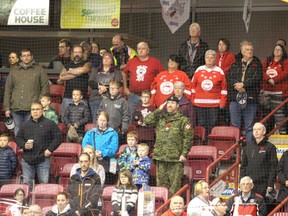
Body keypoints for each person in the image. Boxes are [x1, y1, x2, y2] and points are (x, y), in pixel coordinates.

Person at [144, 95, 193, 196]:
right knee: (161, 189)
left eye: (173, 103)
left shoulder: (183, 120)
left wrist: (184, 154)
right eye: (168, 103)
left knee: (174, 189)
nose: (170, 105)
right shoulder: (160, 118)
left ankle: (172, 210)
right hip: (161, 158)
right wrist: (158, 110)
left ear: (177, 105)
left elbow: (188, 138)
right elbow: (146, 121)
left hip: (175, 160)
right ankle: (163, 210)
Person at [3, 48, 50, 135]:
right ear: (20, 57)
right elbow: (8, 90)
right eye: (24, 56)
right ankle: (20, 148)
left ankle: (29, 149)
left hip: (32, 108)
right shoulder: (14, 71)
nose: (26, 57)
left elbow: (45, 88)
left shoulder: (39, 70)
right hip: (16, 107)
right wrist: (7, 107)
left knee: (31, 129)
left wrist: (39, 104)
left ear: (32, 57)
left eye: (28, 55)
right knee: (18, 129)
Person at [15, 102, 62, 189]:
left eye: (37, 109)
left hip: (43, 159)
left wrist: (50, 149)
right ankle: (26, 203)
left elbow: (58, 137)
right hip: (27, 160)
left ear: (42, 110)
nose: (35, 112)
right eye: (33, 109)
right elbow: (18, 138)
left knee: (44, 186)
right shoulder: (25, 125)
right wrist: (24, 145)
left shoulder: (50, 124)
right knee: (26, 187)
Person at [227, 40, 262, 145]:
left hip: (250, 99)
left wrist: (243, 85)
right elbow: (229, 78)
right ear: (242, 51)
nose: (250, 51)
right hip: (235, 98)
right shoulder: (235, 64)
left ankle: (249, 151)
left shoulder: (257, 64)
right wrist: (237, 85)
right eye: (247, 49)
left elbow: (257, 78)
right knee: (234, 125)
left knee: (249, 126)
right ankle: (234, 150)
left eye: (251, 49)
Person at [191, 49, 227, 136]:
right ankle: (202, 145)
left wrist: (222, 102)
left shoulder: (219, 71)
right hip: (199, 105)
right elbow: (192, 86)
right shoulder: (199, 70)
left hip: (214, 105)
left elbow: (224, 89)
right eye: (207, 57)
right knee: (201, 125)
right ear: (204, 58)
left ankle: (211, 144)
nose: (209, 59)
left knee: (212, 125)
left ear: (215, 59)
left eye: (212, 57)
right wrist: (193, 100)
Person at [122, 41, 165, 114]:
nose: (140, 51)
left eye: (143, 49)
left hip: (149, 96)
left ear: (148, 50)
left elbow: (163, 75)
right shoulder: (132, 61)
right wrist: (125, 87)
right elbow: (124, 72)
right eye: (139, 49)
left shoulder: (155, 62)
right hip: (133, 95)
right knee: (130, 117)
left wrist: (157, 89)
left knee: (148, 118)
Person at [240, 122, 278, 197]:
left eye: (259, 129)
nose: (256, 131)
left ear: (264, 132)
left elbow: (273, 167)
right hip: (249, 184)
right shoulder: (247, 148)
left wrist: (270, 184)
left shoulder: (270, 147)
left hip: (263, 184)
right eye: (254, 130)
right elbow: (243, 166)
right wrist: (242, 181)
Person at [58, 44, 92, 120]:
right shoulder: (67, 65)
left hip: (82, 98)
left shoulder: (87, 63)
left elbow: (83, 70)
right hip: (67, 97)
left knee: (81, 122)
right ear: (72, 53)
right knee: (65, 121)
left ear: (83, 54)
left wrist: (69, 72)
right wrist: (77, 73)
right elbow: (61, 77)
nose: (77, 54)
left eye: (79, 52)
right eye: (75, 52)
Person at [82, 111, 119, 182]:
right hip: (92, 159)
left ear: (107, 121)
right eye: (100, 120)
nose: (102, 122)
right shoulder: (90, 132)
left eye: (104, 120)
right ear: (97, 121)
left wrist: (102, 153)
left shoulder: (113, 133)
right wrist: (92, 152)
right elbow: (85, 145)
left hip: (107, 160)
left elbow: (113, 148)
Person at [88, 52, 122, 123]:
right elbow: (91, 82)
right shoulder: (95, 70)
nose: (106, 60)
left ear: (112, 61)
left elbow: (118, 83)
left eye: (108, 58)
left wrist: (106, 88)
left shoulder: (116, 72)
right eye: (104, 58)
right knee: (96, 120)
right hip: (96, 97)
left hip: (111, 99)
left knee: (110, 120)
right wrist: (100, 86)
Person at [261, 43, 288, 134]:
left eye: (279, 49)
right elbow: (261, 70)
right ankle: (267, 135)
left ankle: (283, 135)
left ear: (283, 52)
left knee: (279, 115)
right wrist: (268, 79)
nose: (277, 51)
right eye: (275, 49)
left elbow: (286, 73)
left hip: (279, 93)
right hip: (266, 92)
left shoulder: (285, 62)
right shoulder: (267, 61)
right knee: (266, 115)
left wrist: (274, 80)